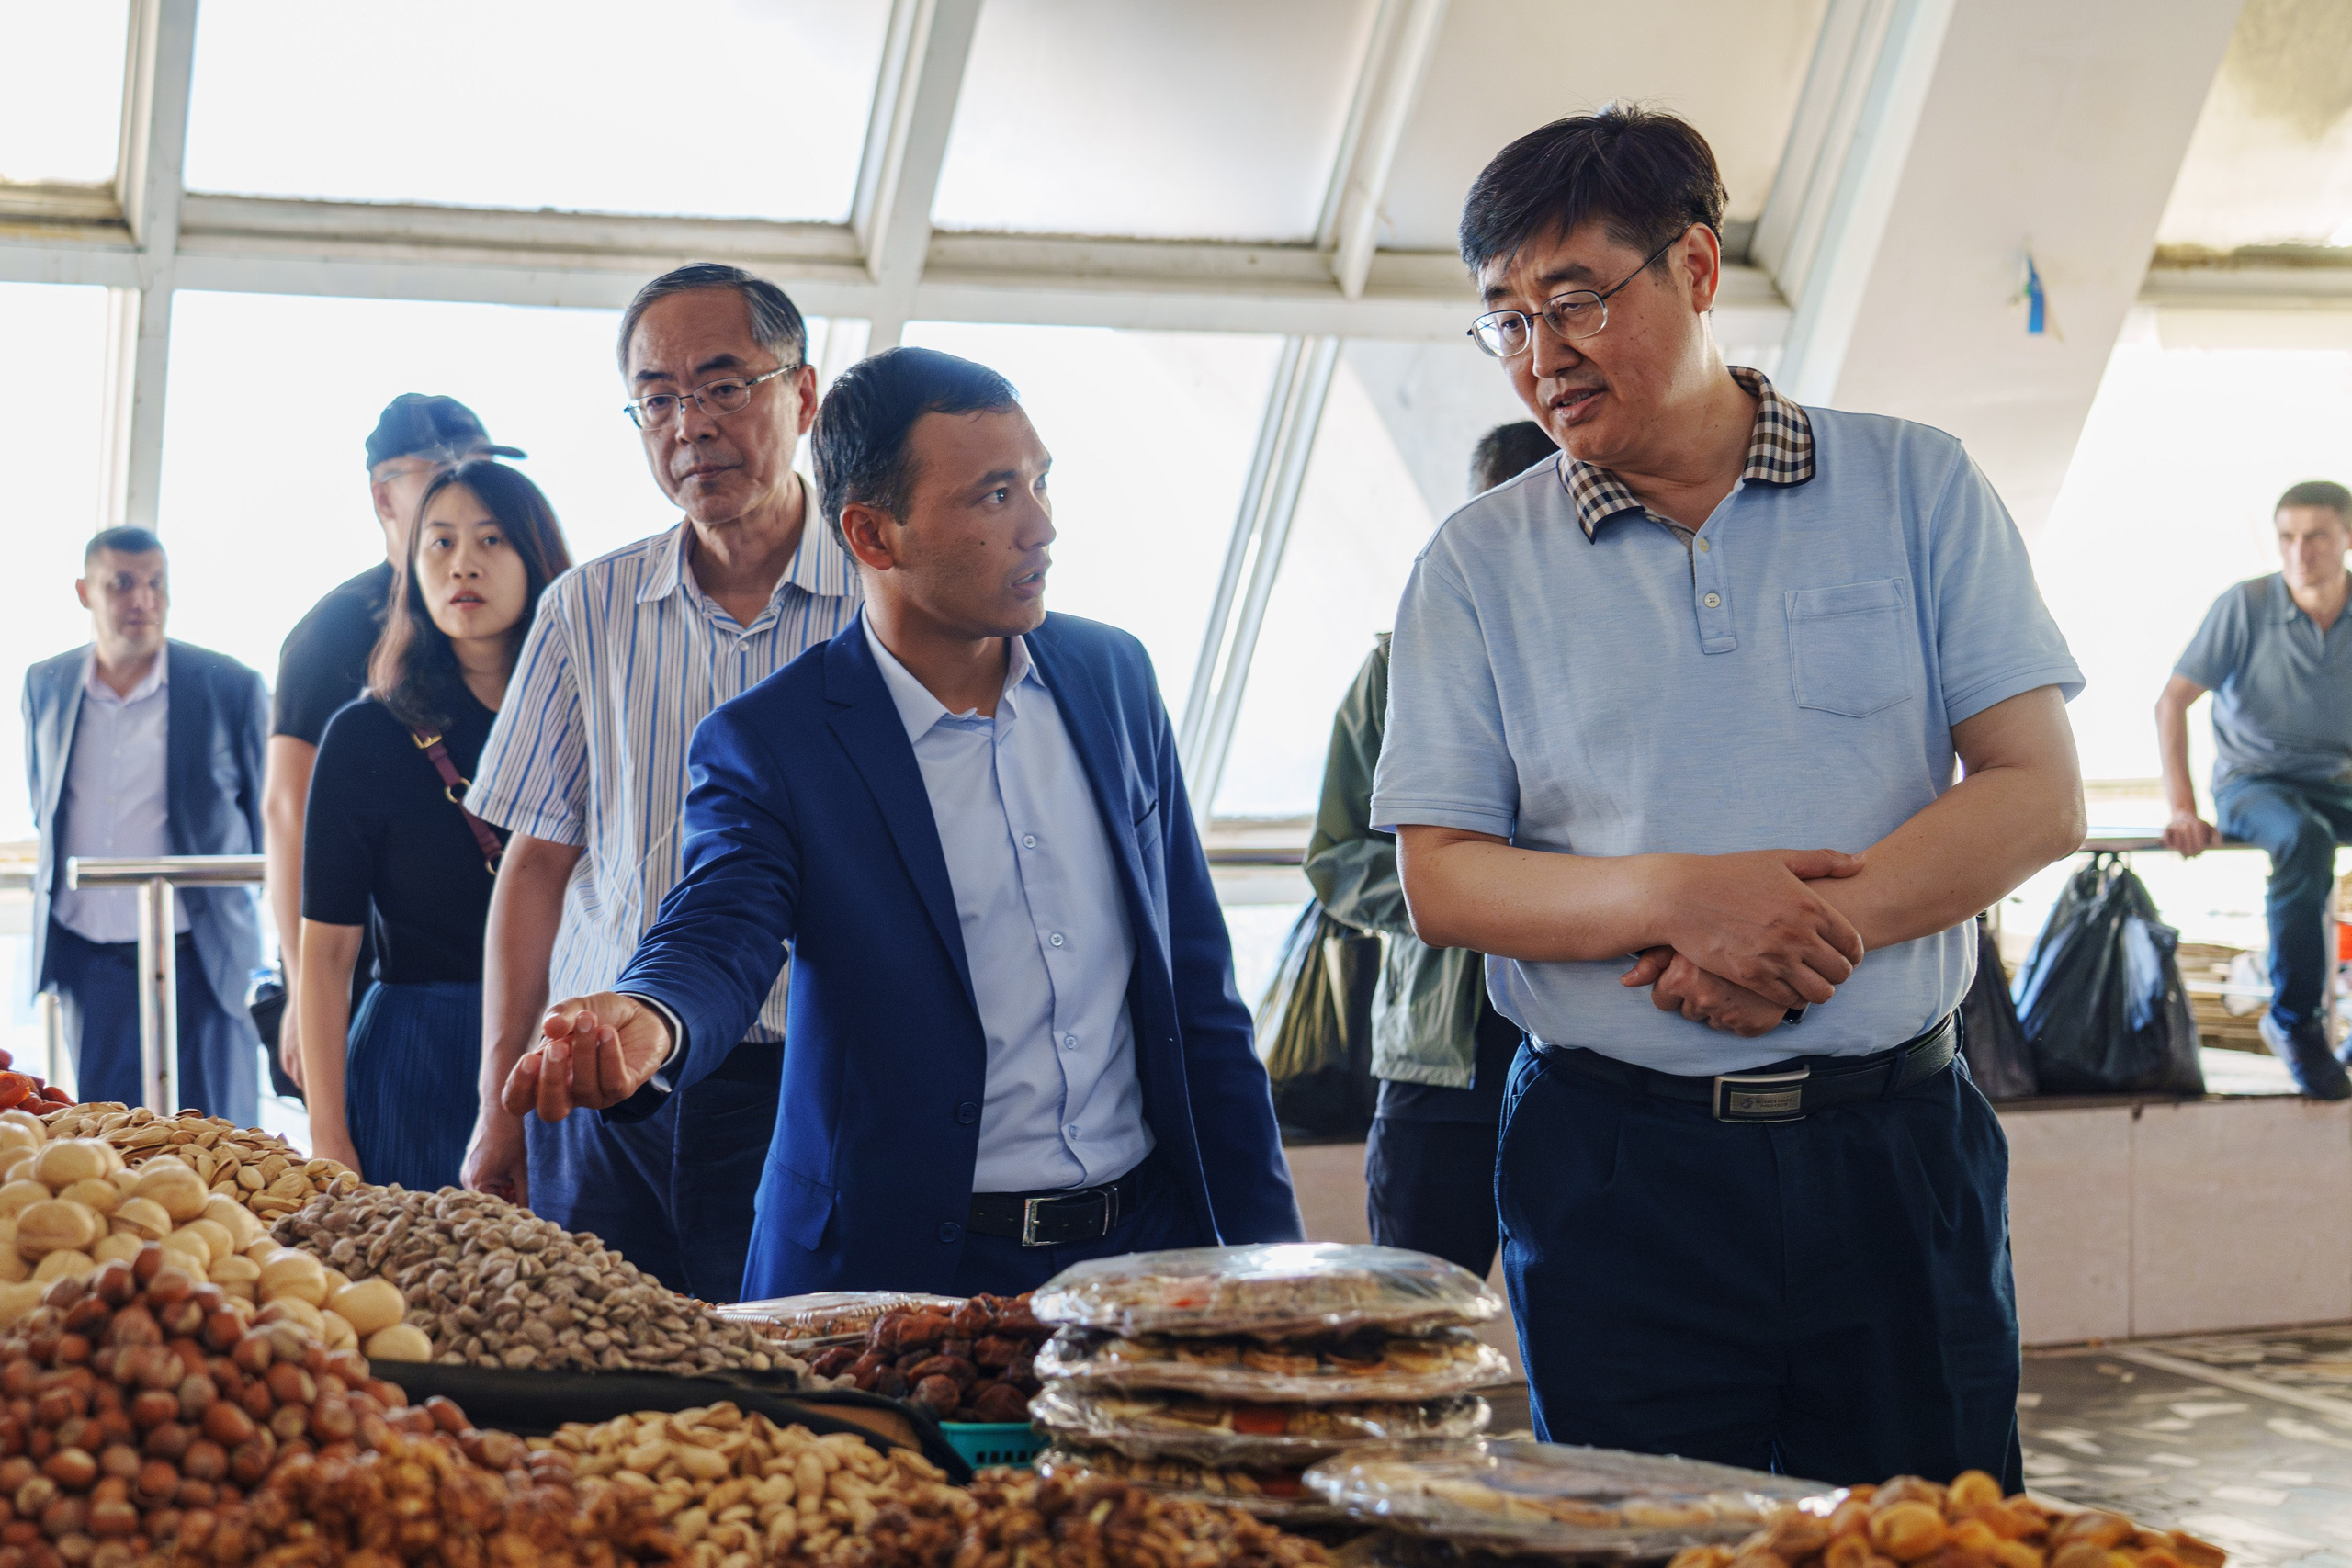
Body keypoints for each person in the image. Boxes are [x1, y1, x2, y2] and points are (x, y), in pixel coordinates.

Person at [1372, 107, 2087, 1486]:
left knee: (1934, 1522)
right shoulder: (1475, 564)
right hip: (1615, 1164)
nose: (1542, 354)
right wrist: (1682, 898)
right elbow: (1445, 873)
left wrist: (1808, 931)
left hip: (1895, 1148)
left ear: (1696, 268)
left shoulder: (1915, 484)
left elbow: (2037, 790)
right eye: (1505, 320)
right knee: (1650, 1527)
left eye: (1574, 300)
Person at [503, 346, 1305, 1298]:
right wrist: (651, 1015)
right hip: (898, 1271)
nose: (1041, 527)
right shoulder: (775, 742)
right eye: (995, 497)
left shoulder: (1113, 678)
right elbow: (719, 928)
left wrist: (1273, 1266)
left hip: (1144, 1253)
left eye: (1039, 482)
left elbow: (1198, 995)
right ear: (874, 537)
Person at [460, 264, 858, 1302]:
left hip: (818, 1085)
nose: (690, 425)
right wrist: (497, 1106)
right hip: (603, 1096)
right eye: (658, 398)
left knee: (803, 1394)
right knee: (606, 1396)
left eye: (725, 386)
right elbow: (536, 868)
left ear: (802, 396)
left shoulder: (886, 605)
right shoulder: (585, 610)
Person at [1307, 419, 1555, 1278]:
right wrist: (1456, 889)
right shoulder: (1396, 667)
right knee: (1413, 1317)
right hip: (1436, 1065)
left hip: (1583, 1061)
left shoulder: (1618, 659)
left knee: (1594, 1333)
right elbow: (1335, 859)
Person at [297, 463, 573, 1186]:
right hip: (410, 1052)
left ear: (536, 555)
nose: (464, 565)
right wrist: (328, 1134)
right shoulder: (364, 734)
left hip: (558, 1047)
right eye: (440, 544)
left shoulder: (586, 717)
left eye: (491, 540)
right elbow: (327, 955)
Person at [263, 396, 524, 1095]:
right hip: (403, 988)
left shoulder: (557, 655)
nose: (465, 561)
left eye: (481, 467)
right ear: (385, 494)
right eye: (442, 468)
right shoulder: (336, 630)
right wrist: (300, 983)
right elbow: (290, 809)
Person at [24, 528, 268, 1122]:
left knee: (223, 1139)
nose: (144, 599)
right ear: (85, 592)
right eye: (123, 584)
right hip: (91, 958)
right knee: (111, 1143)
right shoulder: (45, 683)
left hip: (202, 953)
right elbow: (45, 803)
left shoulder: (229, 684)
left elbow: (264, 820)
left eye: (156, 583)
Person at [2157, 479, 2352, 1099]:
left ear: (2346, 538)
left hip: (2338, 781)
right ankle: (2294, 1022)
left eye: (2316, 536)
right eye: (2288, 537)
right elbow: (2171, 703)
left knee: (2314, 826)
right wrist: (2183, 808)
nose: (2300, 552)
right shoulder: (2245, 605)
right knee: (2302, 838)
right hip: (2253, 785)